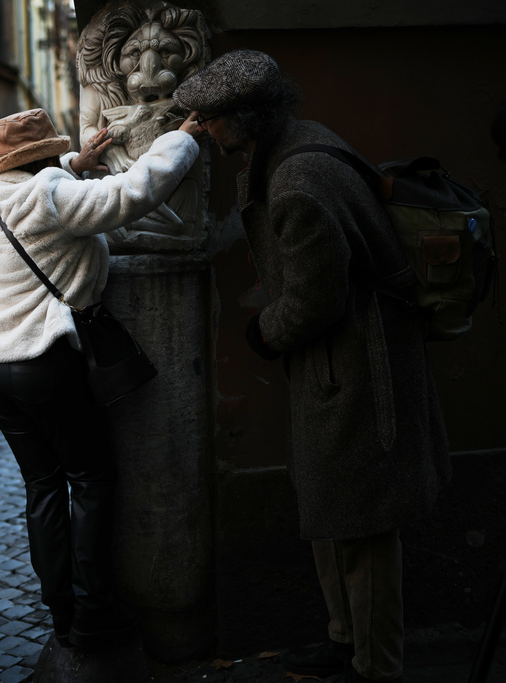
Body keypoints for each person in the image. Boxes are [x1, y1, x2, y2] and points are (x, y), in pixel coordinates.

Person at [172, 50, 451, 683]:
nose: (204, 128)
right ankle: (344, 641)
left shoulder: (299, 180)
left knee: (364, 526)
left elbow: (314, 298)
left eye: (212, 119)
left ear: (245, 116)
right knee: (335, 511)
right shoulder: (296, 143)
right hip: (340, 369)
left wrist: (264, 332)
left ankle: (375, 665)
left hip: (356, 372)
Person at [0, 107, 201, 648]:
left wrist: (73, 162)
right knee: (91, 480)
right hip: (44, 360)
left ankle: (62, 612)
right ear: (46, 155)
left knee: (42, 487)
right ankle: (96, 612)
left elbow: (35, 193)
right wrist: (179, 141)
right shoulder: (51, 195)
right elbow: (132, 193)